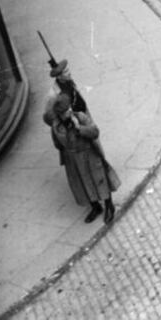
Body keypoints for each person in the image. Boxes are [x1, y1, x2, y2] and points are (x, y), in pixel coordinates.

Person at [45, 93, 120, 224]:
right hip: (73, 159)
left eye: (69, 107)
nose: (69, 110)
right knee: (82, 183)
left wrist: (79, 128)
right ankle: (95, 206)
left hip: (89, 154)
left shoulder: (80, 117)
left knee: (99, 179)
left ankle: (109, 205)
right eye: (65, 110)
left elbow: (95, 132)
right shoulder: (56, 127)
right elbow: (57, 144)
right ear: (60, 114)